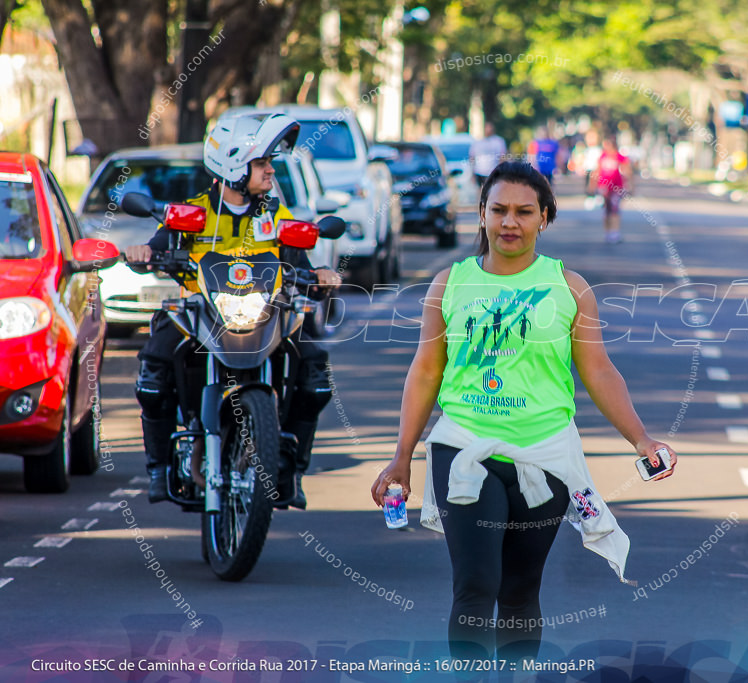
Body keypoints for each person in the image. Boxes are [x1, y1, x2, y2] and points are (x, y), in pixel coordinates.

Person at [370, 161, 676, 665]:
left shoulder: (569, 287)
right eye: (499, 210)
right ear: (483, 215)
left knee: (519, 590)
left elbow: (598, 371)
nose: (510, 222)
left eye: (524, 212)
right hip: (463, 447)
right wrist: (401, 457)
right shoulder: (450, 283)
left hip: (547, 455)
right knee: (475, 585)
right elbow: (425, 373)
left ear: (544, 219)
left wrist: (642, 440)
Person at [125, 113, 342, 509]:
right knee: (153, 373)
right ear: (234, 166)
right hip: (200, 313)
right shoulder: (192, 213)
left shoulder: (275, 215)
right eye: (262, 164)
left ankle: (290, 468)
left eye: (269, 163)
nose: (271, 171)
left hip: (265, 313)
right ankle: (158, 467)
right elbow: (157, 246)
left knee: (315, 372)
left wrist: (321, 275)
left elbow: (300, 261)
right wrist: (145, 253)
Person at [588, 136, 632, 244]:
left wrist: (629, 185)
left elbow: (627, 171)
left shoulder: (620, 157)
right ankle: (608, 232)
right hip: (603, 187)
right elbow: (596, 171)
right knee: (606, 210)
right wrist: (592, 185)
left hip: (616, 187)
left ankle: (615, 233)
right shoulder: (602, 157)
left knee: (615, 209)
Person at [469, 122, 507, 188]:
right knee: (481, 192)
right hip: (479, 172)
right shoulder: (478, 142)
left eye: (490, 127)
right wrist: (472, 173)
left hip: (493, 172)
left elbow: (502, 157)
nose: (488, 129)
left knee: (492, 192)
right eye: (486, 127)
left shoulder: (498, 141)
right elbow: (472, 158)